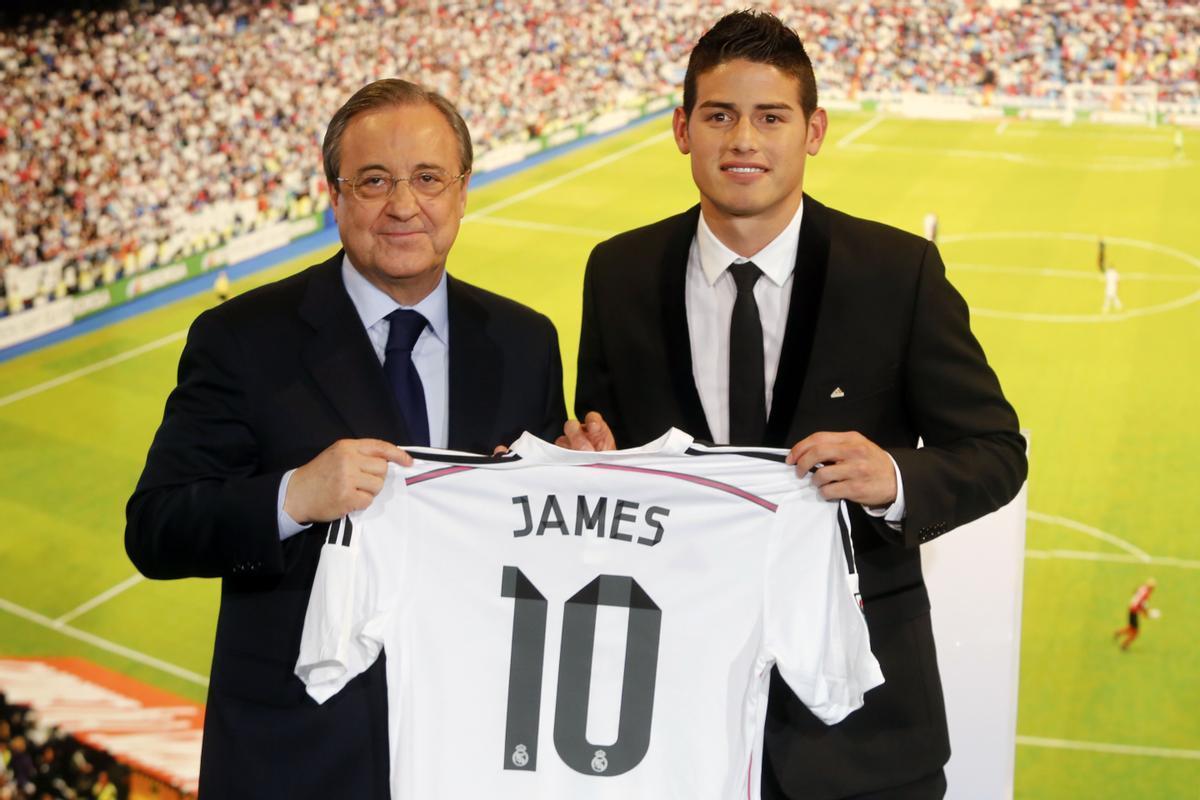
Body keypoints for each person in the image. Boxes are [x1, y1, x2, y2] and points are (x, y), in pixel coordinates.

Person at [568, 11, 1027, 799]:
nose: (743, 139)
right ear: (682, 128)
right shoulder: (618, 274)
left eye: (770, 116)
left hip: (862, 737)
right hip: (669, 724)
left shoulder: (896, 273)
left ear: (812, 131)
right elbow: (606, 458)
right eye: (719, 115)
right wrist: (585, 468)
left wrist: (895, 478)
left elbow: (994, 451)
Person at [125, 79, 567, 799]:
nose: (402, 206)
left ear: (462, 192)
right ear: (334, 195)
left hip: (476, 747)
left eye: (427, 179)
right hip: (301, 760)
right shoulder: (240, 339)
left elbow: (544, 551)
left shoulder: (525, 342)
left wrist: (572, 477)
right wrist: (294, 495)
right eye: (373, 181)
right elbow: (155, 530)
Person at [1114, 578, 1157, 650]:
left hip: (1131, 608)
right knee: (1136, 632)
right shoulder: (1147, 594)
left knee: (1131, 628)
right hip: (1134, 611)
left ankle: (1118, 633)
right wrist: (1147, 613)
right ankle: (1124, 645)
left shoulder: (1142, 587)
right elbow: (1143, 604)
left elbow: (1135, 591)